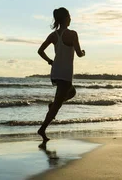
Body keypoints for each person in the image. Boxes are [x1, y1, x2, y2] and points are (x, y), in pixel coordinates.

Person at [37, 7, 85, 143]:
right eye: (69, 16)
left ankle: (52, 106)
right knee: (58, 104)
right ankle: (42, 129)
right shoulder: (73, 34)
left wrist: (50, 61)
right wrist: (83, 52)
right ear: (65, 18)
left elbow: (40, 51)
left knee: (72, 92)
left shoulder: (53, 35)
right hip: (65, 73)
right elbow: (79, 54)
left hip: (56, 71)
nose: (71, 19)